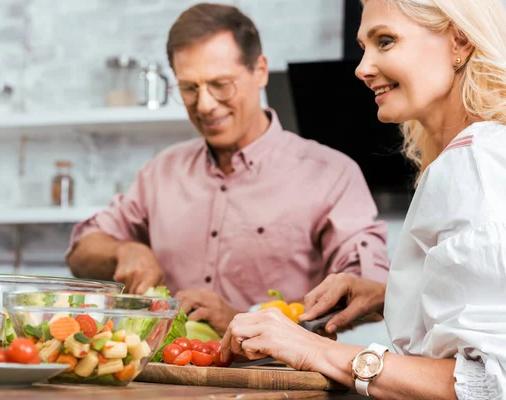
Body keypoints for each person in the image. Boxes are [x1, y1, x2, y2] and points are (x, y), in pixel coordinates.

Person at [221, 0, 506, 397]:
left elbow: (487, 384)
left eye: (385, 41)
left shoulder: (473, 162)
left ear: (459, 42)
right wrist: (392, 295)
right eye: (363, 46)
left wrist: (312, 349)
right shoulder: (479, 154)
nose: (362, 67)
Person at [65, 3, 389, 335]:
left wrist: (244, 319)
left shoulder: (331, 174)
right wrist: (125, 250)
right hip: (167, 379)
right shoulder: (160, 173)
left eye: (221, 84)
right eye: (189, 88)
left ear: (260, 70)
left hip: (280, 381)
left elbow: (369, 294)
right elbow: (80, 252)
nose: (204, 105)